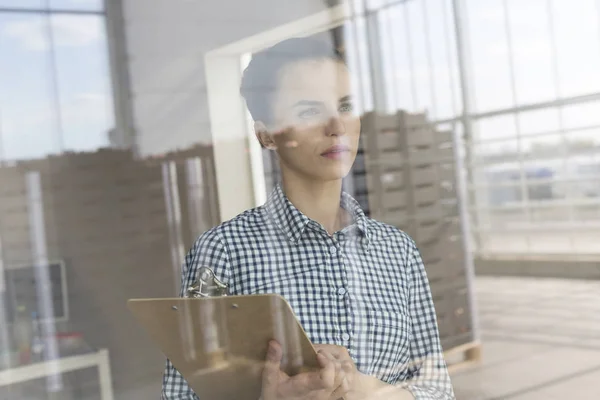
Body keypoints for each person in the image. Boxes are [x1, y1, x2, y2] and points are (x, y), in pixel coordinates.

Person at [162, 37, 456, 400]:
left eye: (346, 106)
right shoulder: (221, 252)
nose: (337, 125)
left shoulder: (398, 250)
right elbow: (182, 394)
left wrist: (369, 391)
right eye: (308, 111)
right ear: (266, 134)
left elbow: (438, 389)